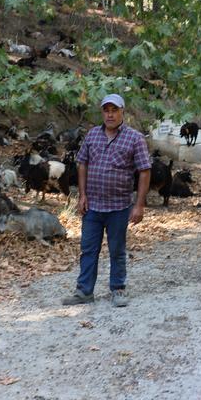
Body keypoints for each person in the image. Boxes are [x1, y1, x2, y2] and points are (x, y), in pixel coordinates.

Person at [62, 94, 151, 307]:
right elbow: (82, 164)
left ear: (122, 112)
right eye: (106, 110)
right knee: (88, 249)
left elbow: (145, 171)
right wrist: (82, 195)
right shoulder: (92, 135)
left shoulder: (135, 138)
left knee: (117, 250)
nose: (110, 114)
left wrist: (139, 204)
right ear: (102, 113)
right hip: (92, 206)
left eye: (114, 110)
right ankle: (84, 291)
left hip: (119, 206)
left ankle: (118, 289)